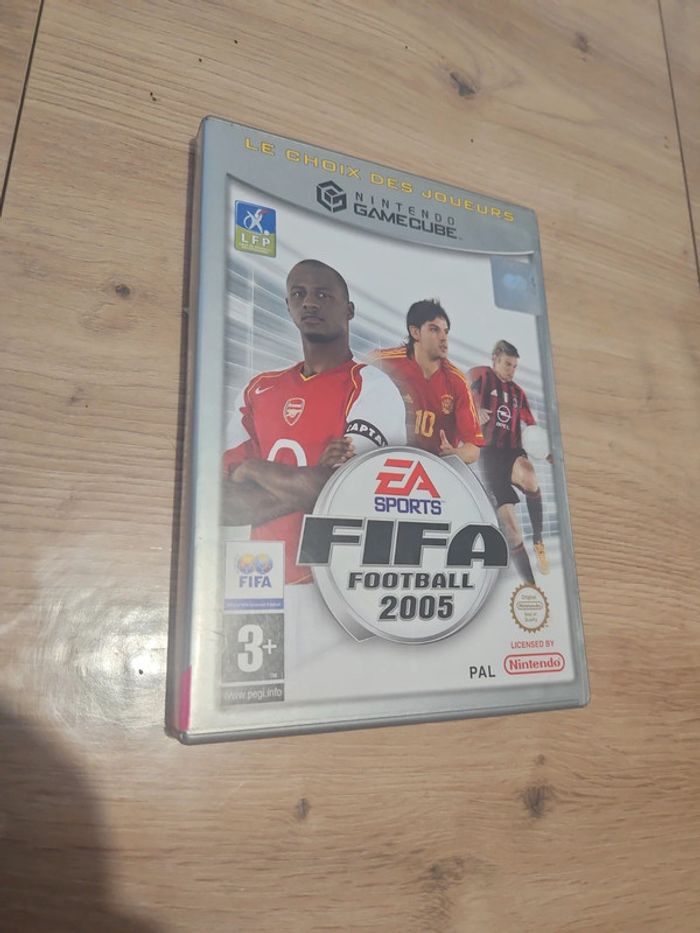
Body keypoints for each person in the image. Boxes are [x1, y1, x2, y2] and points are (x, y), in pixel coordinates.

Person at [223, 259, 407, 584]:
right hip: (262, 579)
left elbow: (353, 494)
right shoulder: (258, 390)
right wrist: (314, 481)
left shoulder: (372, 387)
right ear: (288, 306)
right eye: (299, 294)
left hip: (336, 586)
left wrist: (255, 469)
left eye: (323, 295)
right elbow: (222, 505)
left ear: (349, 310)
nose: (309, 302)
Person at [468, 339, 549, 582]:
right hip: (489, 458)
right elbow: (463, 394)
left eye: (514, 366)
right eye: (507, 364)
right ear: (495, 358)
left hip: (512, 452)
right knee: (513, 531)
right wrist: (475, 410)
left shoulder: (518, 393)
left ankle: (538, 539)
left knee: (530, 476)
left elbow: (531, 427)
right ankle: (531, 585)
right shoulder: (481, 375)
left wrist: (547, 453)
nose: (511, 371)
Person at [369, 298, 484, 463]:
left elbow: (473, 449)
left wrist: (455, 453)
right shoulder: (380, 361)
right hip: (386, 462)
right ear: (415, 332)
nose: (443, 338)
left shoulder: (458, 381)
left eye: (446, 331)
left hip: (433, 469)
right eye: (434, 330)